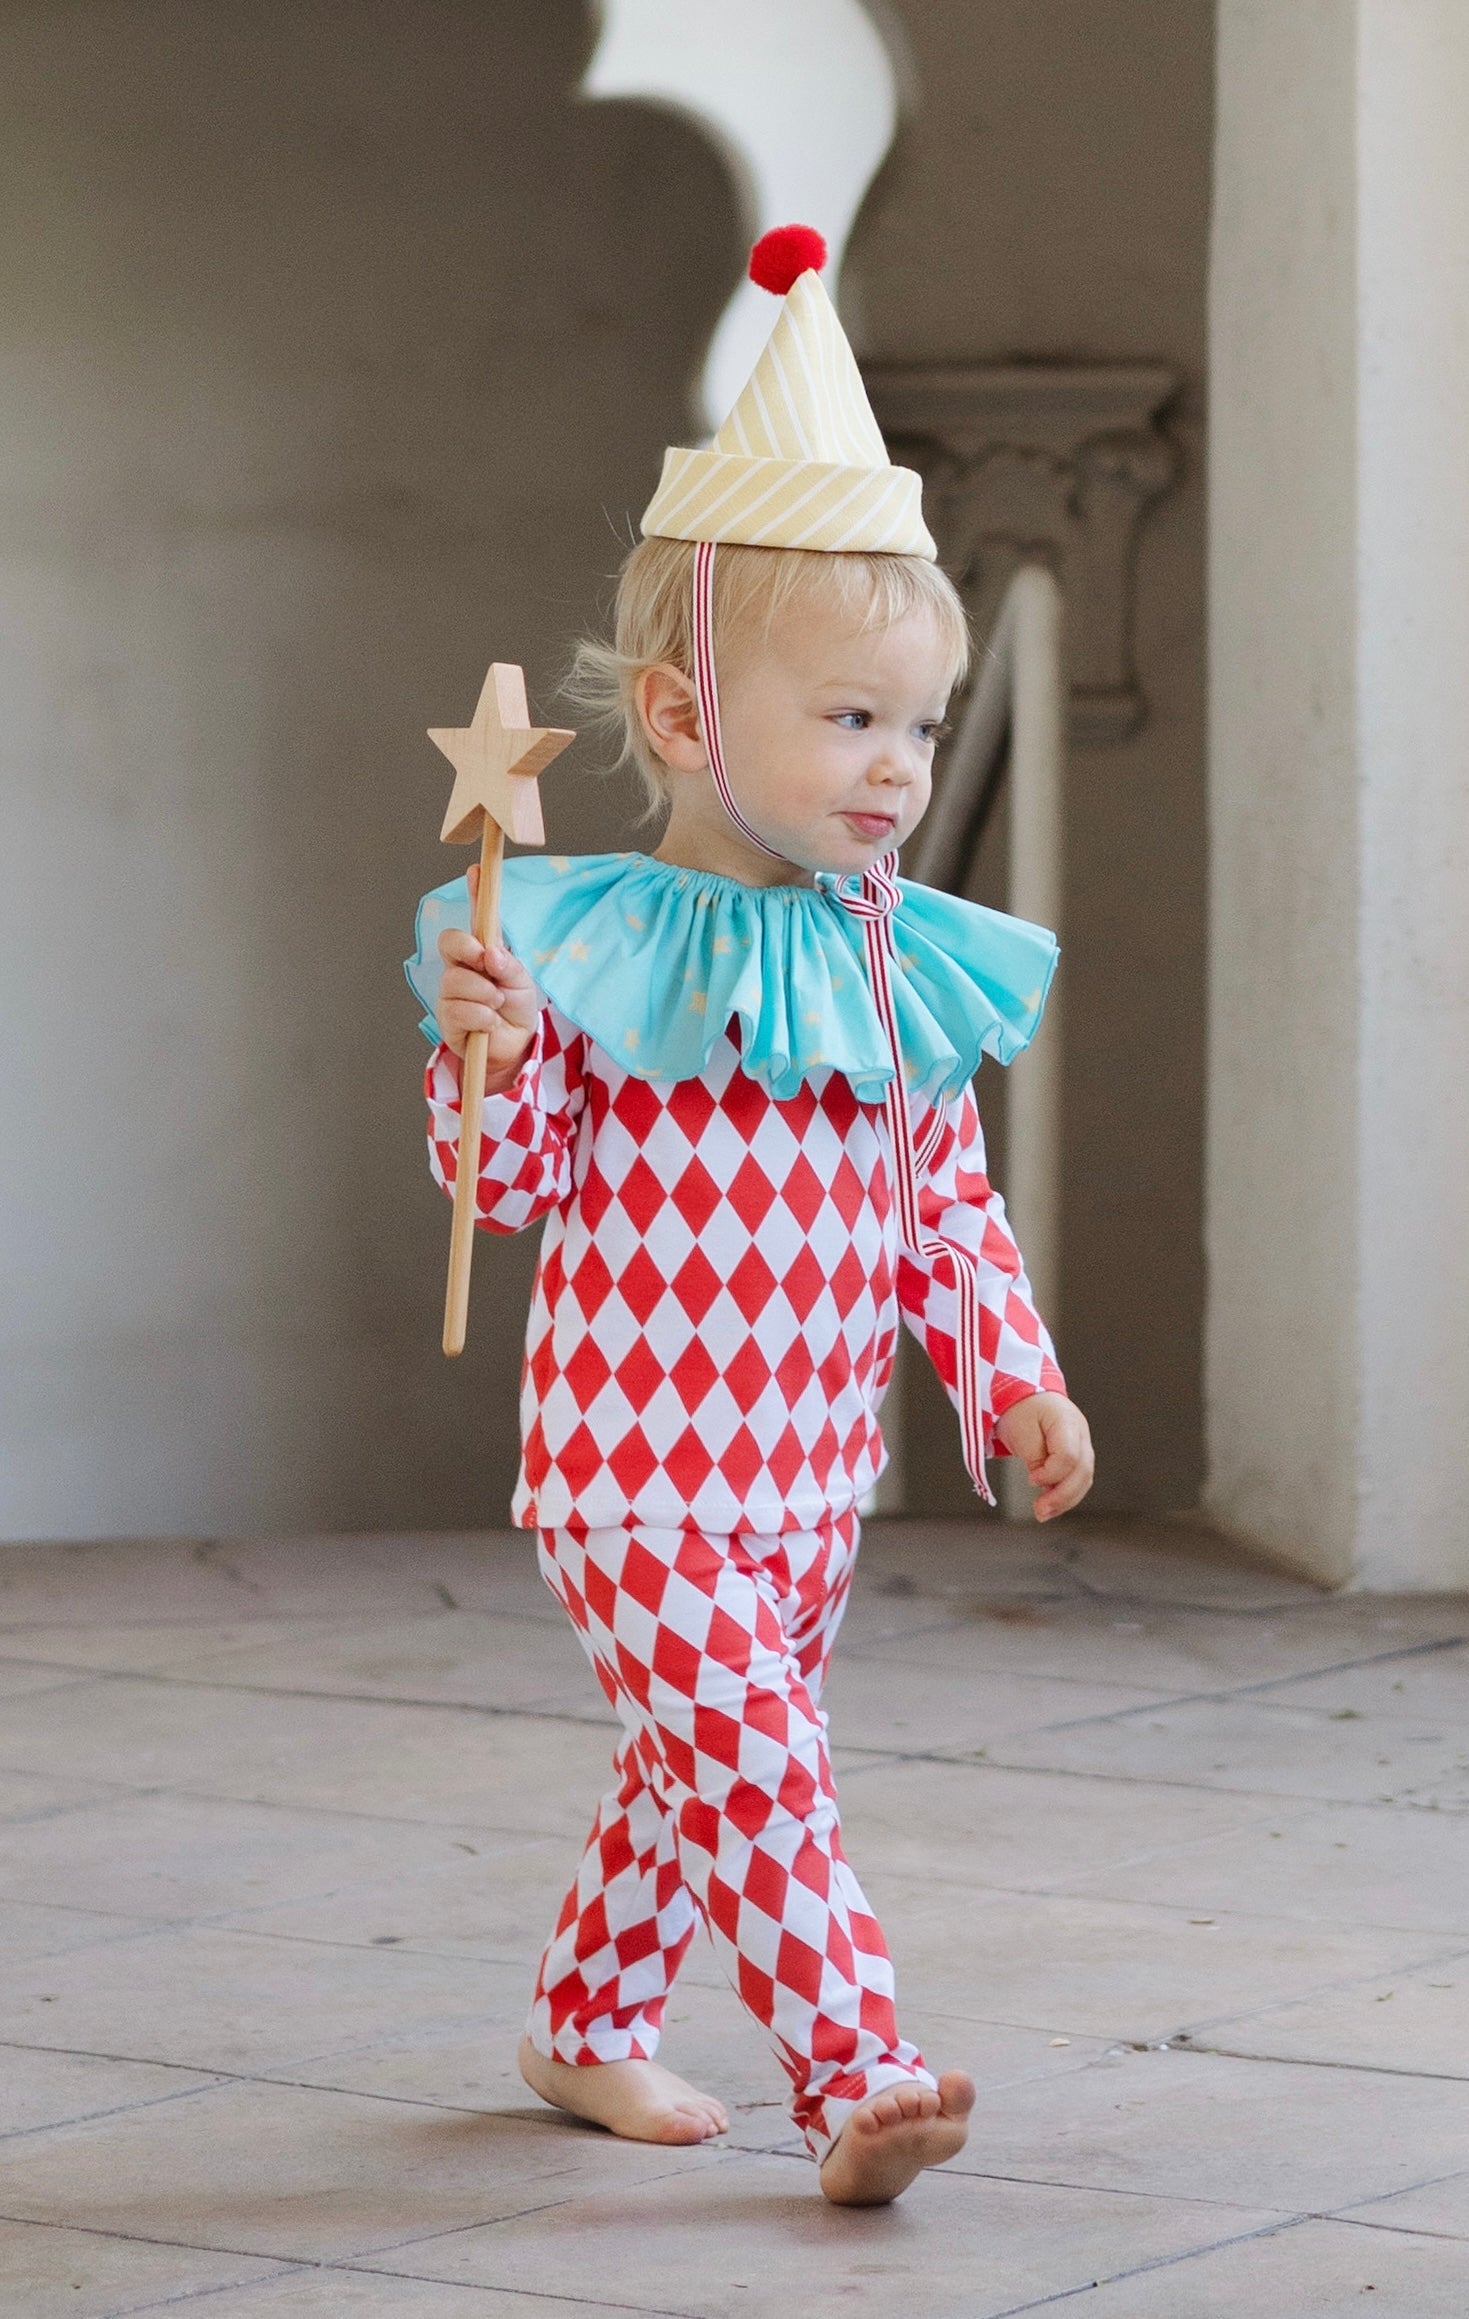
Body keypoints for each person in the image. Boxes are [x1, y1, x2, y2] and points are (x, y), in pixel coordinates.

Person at [406, 226, 1094, 2206]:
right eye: (854, 720)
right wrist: (494, 1054)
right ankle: (858, 2064)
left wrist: (1013, 1379)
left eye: (922, 726)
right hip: (635, 1471)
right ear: (693, 719)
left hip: (810, 1476)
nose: (901, 769)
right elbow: (511, 1185)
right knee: (766, 1778)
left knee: (687, 1774)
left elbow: (942, 1214)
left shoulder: (893, 965)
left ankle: (583, 2019)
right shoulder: (595, 948)